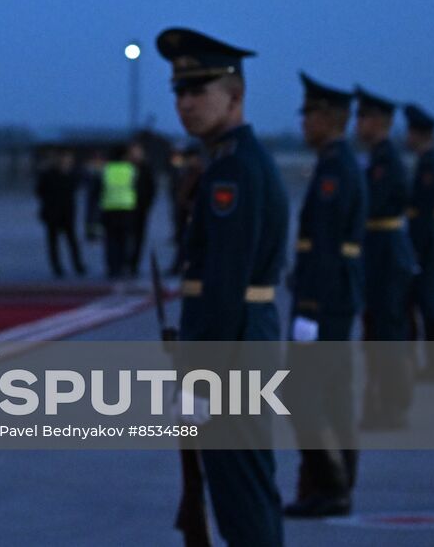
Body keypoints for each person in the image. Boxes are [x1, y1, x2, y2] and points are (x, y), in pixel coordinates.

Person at [155, 27, 287, 546]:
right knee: (239, 485)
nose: (185, 104)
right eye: (179, 93)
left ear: (234, 96)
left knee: (241, 491)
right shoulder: (226, 163)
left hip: (232, 349)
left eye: (198, 90)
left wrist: (201, 379)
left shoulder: (233, 170)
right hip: (237, 343)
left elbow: (225, 284)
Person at [285, 73, 365, 518]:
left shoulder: (335, 169)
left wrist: (310, 308)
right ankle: (336, 485)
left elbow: (327, 245)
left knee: (305, 395)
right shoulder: (336, 163)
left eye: (309, 114)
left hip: (324, 300)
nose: (303, 123)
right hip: (333, 296)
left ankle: (331, 485)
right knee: (332, 394)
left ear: (329, 119)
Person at [353, 86, 416, 430]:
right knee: (378, 331)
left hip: (386, 253)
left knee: (388, 334)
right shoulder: (378, 158)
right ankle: (382, 403)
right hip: (378, 249)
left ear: (380, 122)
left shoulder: (385, 160)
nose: (357, 124)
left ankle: (391, 406)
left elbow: (372, 204)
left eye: (363, 117)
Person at [403, 104, 434, 381]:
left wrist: (418, 253)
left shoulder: (430, 165)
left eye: (410, 132)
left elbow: (426, 214)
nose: (407, 138)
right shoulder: (425, 162)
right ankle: (433, 363)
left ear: (419, 134)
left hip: (427, 246)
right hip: (425, 244)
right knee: (427, 304)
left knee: (431, 306)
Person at [35, 147, 84, 277]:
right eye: (64, 158)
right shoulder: (48, 174)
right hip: (53, 212)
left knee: (72, 240)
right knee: (53, 241)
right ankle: (57, 267)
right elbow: (40, 191)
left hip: (68, 212)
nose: (66, 161)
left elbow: (77, 186)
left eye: (68, 159)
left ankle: (78, 265)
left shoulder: (72, 174)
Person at [100, 146, 137, 280]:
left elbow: (100, 189)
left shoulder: (106, 169)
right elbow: (135, 187)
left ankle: (112, 267)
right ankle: (122, 266)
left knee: (110, 240)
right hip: (126, 208)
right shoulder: (130, 169)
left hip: (109, 208)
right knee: (124, 240)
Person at [168, 145, 203, 275]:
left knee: (187, 241)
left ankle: (183, 266)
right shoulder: (187, 172)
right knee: (183, 240)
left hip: (191, 212)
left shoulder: (199, 173)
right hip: (185, 211)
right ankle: (180, 266)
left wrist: (191, 205)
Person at [128, 140, 157, 276]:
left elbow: (152, 188)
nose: (136, 155)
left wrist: (147, 204)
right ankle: (125, 262)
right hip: (126, 208)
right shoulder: (125, 168)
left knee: (139, 238)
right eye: (134, 152)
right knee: (127, 237)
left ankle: (134, 264)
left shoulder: (146, 169)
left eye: (138, 152)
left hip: (141, 208)